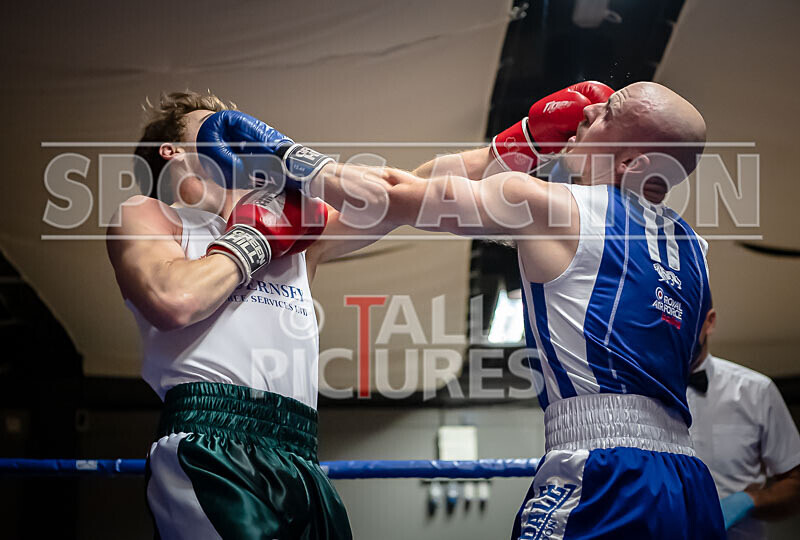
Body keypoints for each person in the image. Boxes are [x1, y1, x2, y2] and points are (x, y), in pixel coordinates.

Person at [197, 80, 724, 538]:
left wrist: (290, 158)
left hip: (607, 474)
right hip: (692, 483)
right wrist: (522, 143)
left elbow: (395, 196)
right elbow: (688, 351)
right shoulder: (695, 250)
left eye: (609, 113)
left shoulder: (550, 205)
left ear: (632, 160)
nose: (590, 108)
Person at [107, 91, 390, 539]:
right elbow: (173, 298)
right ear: (172, 151)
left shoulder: (298, 232)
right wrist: (253, 238)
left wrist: (307, 168)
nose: (236, 135)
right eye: (217, 126)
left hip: (302, 454)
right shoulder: (152, 215)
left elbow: (388, 202)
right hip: (210, 442)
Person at [688, 306, 800, 539]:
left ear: (709, 322)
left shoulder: (757, 391)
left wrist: (751, 500)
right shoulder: (638, 393)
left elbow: (795, 482)